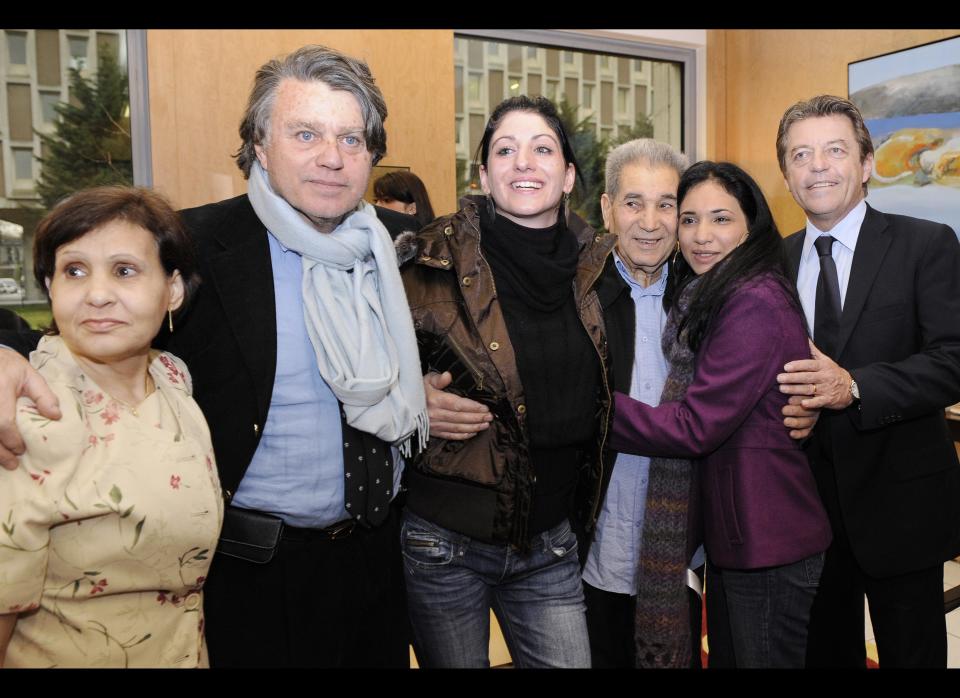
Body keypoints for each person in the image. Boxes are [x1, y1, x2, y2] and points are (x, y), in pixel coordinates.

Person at [0, 45, 426, 668]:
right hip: (247, 574)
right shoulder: (192, 245)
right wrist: (6, 354)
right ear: (259, 143)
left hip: (375, 564)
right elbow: (94, 314)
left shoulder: (394, 251)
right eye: (305, 133)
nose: (332, 157)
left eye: (352, 138)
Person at [399, 95, 614, 668]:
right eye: (505, 150)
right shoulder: (423, 259)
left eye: (543, 149)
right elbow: (362, 367)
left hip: (551, 541)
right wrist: (405, 392)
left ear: (568, 176)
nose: (524, 163)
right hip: (444, 541)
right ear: (482, 173)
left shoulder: (598, 268)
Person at [611, 161, 832, 668]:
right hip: (744, 537)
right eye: (688, 220)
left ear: (750, 225)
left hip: (768, 541)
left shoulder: (753, 300)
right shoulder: (714, 294)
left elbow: (696, 426)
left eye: (719, 219)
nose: (701, 236)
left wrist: (596, 406)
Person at [775, 95, 960, 668]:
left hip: (901, 508)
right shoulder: (772, 265)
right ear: (786, 174)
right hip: (805, 514)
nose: (818, 166)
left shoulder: (925, 245)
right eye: (800, 155)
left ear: (867, 164)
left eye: (835, 150)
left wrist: (852, 386)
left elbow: (953, 360)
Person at [0, 186, 215, 668]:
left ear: (173, 289)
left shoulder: (173, 378)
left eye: (124, 270)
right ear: (51, 288)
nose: (97, 294)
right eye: (74, 271)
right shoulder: (26, 414)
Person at [580, 138, 707, 669]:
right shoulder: (576, 296)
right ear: (608, 209)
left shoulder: (706, 298)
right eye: (634, 203)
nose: (650, 221)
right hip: (590, 544)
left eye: (666, 204)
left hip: (679, 545)